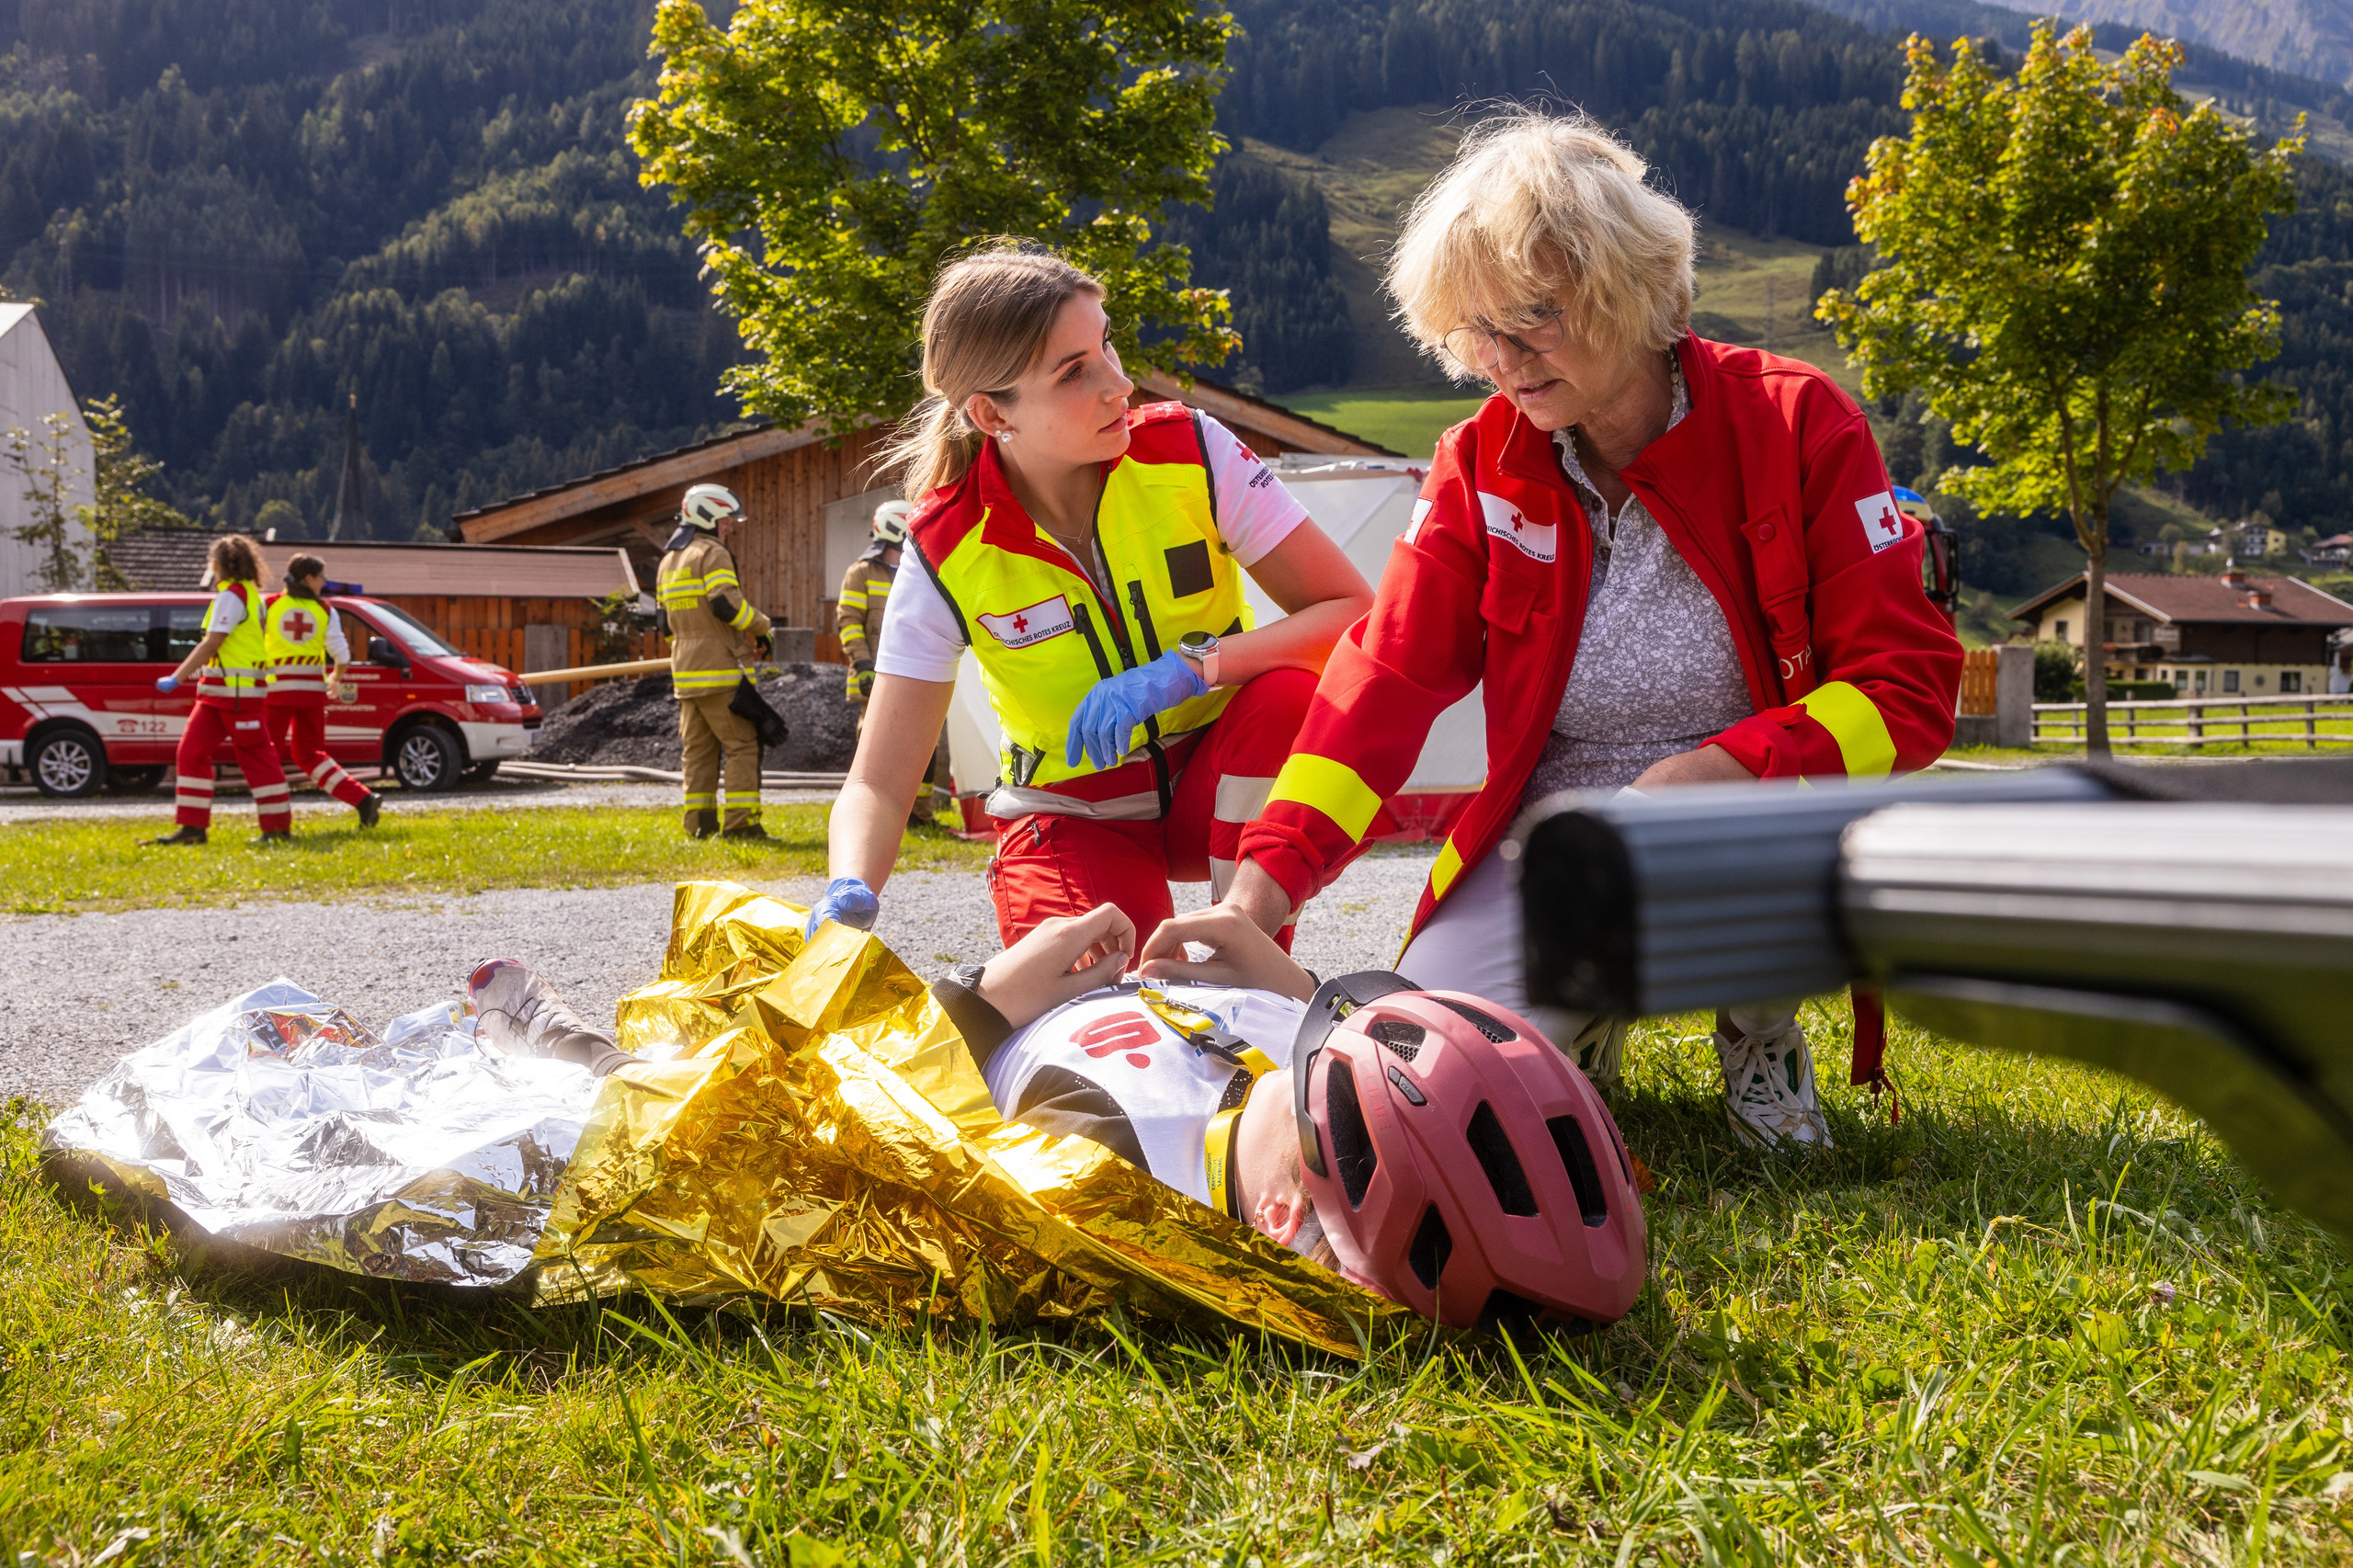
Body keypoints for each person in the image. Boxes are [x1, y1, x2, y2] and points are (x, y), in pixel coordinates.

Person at [1203, 109, 1963, 1151]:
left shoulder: (1798, 421)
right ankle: (1584, 994)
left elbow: (1907, 689)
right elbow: (1382, 682)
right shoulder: (1481, 460)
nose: (1502, 360)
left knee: (1733, 882)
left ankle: (1758, 1028)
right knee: (1421, 1081)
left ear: (1629, 287)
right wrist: (1261, 884)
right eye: (1475, 332)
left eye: (1532, 318)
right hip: (1558, 844)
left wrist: (1720, 770)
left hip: (1752, 827)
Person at [473, 902, 1646, 1330]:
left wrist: (990, 998)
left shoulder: (1109, 1163)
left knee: (686, 1084)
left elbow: (857, 1110)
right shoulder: (1315, 1082)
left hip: (972, 1030)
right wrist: (1279, 981)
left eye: (1315, 1045)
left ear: (1285, 1214)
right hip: (1113, 981)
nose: (1319, 1030)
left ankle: (537, 1032)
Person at [809, 243, 1376, 948]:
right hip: (1075, 811)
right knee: (1116, 1002)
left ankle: (1249, 953)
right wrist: (848, 887)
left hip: (1216, 781)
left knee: (1288, 695)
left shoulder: (1194, 451)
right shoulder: (943, 548)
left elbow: (1354, 612)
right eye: (1075, 372)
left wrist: (1195, 668)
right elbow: (881, 783)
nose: (1121, 384)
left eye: (1106, 346)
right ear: (991, 415)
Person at [145, 534, 295, 846]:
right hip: (220, 693)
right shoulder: (253, 597)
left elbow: (213, 641)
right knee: (191, 752)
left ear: (216, 565)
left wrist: (177, 676)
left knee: (256, 756)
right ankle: (192, 828)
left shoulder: (232, 597)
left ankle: (277, 829)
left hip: (236, 694)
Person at [657, 483, 775, 840]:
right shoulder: (711, 553)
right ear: (707, 516)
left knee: (698, 752)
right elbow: (725, 605)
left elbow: (663, 625)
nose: (730, 527)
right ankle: (741, 825)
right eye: (726, 520)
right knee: (741, 745)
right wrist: (762, 627)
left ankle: (699, 825)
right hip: (721, 671)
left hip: (685, 675)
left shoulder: (669, 561)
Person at [836, 499, 953, 825]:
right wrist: (861, 665)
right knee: (874, 751)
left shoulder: (919, 570)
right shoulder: (861, 573)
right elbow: (848, 623)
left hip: (919, 674)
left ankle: (919, 815)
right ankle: (871, 819)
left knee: (926, 746)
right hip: (873, 677)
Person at [262, 552, 383, 829]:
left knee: (266, 754)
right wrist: (334, 680)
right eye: (321, 577)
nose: (324, 582)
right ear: (308, 579)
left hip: (277, 692)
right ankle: (362, 799)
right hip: (311, 694)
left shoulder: (268, 605)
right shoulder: (325, 610)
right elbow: (342, 657)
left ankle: (274, 820)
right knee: (309, 754)